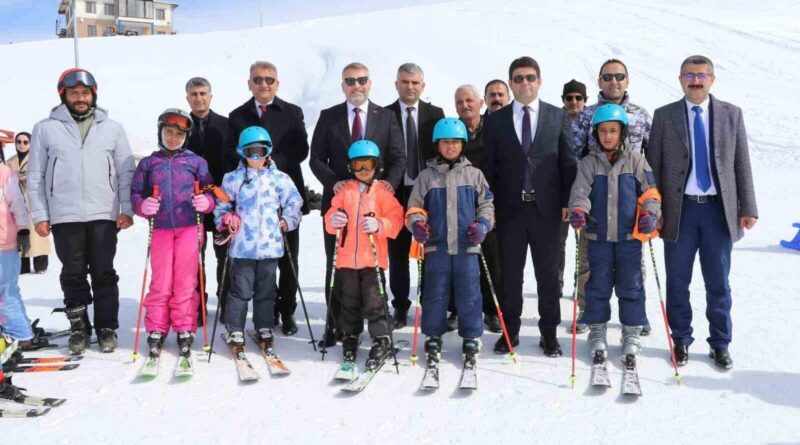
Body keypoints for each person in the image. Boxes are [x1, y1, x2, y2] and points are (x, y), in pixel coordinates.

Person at [647, 55, 758, 370]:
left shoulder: (730, 115)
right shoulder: (665, 116)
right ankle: (680, 339)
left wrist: (747, 207)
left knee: (718, 283)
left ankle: (720, 343)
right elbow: (653, 169)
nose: (695, 81)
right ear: (680, 79)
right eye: (689, 75)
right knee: (677, 282)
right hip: (679, 212)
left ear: (712, 78)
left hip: (718, 213)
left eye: (702, 75)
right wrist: (655, 210)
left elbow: (742, 165)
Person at [27, 68, 136, 354]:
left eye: (85, 93)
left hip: (104, 212)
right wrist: (40, 214)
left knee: (104, 272)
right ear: (63, 94)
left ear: (93, 95)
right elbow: (36, 174)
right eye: (74, 93)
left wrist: (127, 208)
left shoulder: (112, 127)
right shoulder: (45, 128)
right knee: (73, 273)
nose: (80, 98)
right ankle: (79, 327)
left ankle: (106, 327)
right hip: (65, 214)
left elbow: (126, 171)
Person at [482, 56, 577, 356]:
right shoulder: (495, 120)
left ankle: (549, 334)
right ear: (511, 83)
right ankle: (509, 332)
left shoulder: (556, 115)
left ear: (539, 81)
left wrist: (565, 202)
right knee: (510, 275)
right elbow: (489, 167)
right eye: (519, 78)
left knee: (548, 275)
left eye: (530, 77)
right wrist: (489, 206)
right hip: (509, 211)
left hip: (548, 211)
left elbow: (568, 161)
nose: (525, 83)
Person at [310, 62, 405, 347]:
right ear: (342, 86)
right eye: (350, 81)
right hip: (341, 206)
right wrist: (332, 181)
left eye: (361, 80)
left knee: (373, 266)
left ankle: (379, 322)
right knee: (337, 265)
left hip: (375, 206)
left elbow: (399, 157)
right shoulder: (329, 117)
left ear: (370, 83)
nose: (356, 86)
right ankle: (335, 325)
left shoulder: (386, 117)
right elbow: (316, 159)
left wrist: (390, 182)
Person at [568, 103, 661, 367]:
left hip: (629, 239)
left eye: (613, 131)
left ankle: (631, 331)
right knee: (597, 285)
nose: (607, 136)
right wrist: (578, 211)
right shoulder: (589, 163)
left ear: (622, 132)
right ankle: (597, 330)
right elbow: (579, 194)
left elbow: (651, 193)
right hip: (597, 238)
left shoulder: (636, 160)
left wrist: (649, 214)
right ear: (596, 134)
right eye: (603, 131)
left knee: (631, 286)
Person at [571, 59, 653, 335]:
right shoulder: (585, 115)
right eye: (607, 77)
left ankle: (637, 313)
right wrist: (577, 201)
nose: (613, 81)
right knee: (590, 261)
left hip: (630, 202)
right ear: (599, 81)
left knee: (633, 263)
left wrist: (651, 206)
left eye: (619, 76)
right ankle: (587, 309)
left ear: (627, 80)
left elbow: (649, 158)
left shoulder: (640, 114)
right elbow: (573, 155)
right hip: (596, 198)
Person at [228, 61, 310, 336]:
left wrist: (273, 162)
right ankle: (263, 312)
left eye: (269, 79)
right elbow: (233, 152)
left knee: (287, 260)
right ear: (249, 83)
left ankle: (286, 311)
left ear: (277, 83)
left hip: (282, 196)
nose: (264, 84)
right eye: (258, 79)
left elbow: (301, 149)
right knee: (255, 261)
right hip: (250, 201)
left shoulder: (291, 112)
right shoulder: (237, 115)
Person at [406, 117, 494, 368]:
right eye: (445, 142)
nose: (450, 147)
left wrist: (483, 225)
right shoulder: (426, 177)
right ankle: (433, 335)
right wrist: (417, 225)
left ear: (463, 144)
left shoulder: (474, 174)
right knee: (435, 293)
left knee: (470, 294)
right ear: (437, 145)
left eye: (455, 142)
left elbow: (487, 204)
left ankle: (471, 336)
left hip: (468, 247)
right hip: (437, 246)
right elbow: (414, 207)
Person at [130, 108, 216, 360]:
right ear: (161, 131)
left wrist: (206, 202)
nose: (173, 138)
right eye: (169, 132)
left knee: (185, 282)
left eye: (179, 134)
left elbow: (210, 189)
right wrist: (142, 206)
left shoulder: (196, 162)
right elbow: (135, 192)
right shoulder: (149, 163)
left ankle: (184, 327)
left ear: (186, 137)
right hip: (161, 230)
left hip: (190, 227)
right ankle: (156, 327)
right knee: (161, 281)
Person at [215, 126, 303, 350]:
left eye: (260, 151)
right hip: (243, 247)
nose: (255, 157)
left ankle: (264, 325)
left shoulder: (280, 179)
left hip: (270, 247)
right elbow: (222, 205)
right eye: (249, 152)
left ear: (268, 151)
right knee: (241, 291)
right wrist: (227, 218)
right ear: (241, 153)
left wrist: (288, 220)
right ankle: (235, 328)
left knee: (266, 291)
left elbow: (295, 201)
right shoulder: (233, 179)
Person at [324, 140, 403, 370]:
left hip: (372, 259)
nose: (363, 171)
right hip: (347, 259)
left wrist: (379, 223)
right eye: (358, 166)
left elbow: (396, 220)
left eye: (368, 165)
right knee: (349, 301)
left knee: (375, 301)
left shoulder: (383, 193)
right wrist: (333, 220)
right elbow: (330, 217)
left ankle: (381, 338)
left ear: (377, 167)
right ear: (351, 167)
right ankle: (350, 335)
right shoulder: (344, 191)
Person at [384, 63, 444, 329]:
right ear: (396, 84)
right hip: (396, 193)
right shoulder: (383, 115)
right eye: (405, 82)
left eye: (415, 83)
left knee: (429, 250)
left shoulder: (435, 114)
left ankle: (431, 301)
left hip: (427, 193)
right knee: (397, 254)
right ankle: (400, 306)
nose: (410, 87)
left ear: (423, 86)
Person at [454, 84, 501, 333]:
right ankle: (456, 309)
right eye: (460, 102)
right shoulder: (452, 131)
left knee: (492, 261)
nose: (465, 105)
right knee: (459, 260)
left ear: (480, 103)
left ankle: (492, 310)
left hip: (489, 203)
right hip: (459, 203)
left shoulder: (495, 128)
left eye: (470, 100)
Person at [184, 77, 230, 326]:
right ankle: (198, 303)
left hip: (222, 202)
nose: (198, 98)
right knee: (194, 257)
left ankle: (226, 303)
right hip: (192, 205)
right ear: (187, 98)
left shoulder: (227, 124)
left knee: (224, 256)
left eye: (203, 93)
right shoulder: (181, 126)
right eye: (193, 94)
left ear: (210, 96)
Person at [0, 160, 42, 350]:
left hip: (3, 244)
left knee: (5, 292)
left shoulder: (5, 174)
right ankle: (18, 326)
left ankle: (20, 333)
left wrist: (23, 230)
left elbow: (17, 203)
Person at [6, 132, 50, 275]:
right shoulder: (10, 162)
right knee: (20, 233)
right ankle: (22, 266)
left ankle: (40, 266)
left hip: (34, 201)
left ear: (31, 144)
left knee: (38, 235)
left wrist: (27, 177)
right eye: (19, 142)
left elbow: (45, 177)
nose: (22, 145)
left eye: (25, 142)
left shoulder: (37, 160)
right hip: (17, 202)